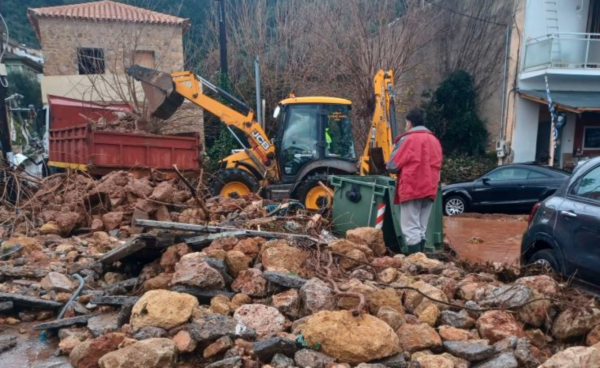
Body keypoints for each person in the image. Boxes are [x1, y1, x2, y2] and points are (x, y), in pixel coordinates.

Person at [387, 108, 442, 253]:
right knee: (421, 227)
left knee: (410, 227)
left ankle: (415, 262)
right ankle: (422, 260)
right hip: (430, 188)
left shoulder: (408, 139)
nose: (406, 126)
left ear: (410, 123)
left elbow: (392, 165)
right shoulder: (435, 140)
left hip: (412, 187)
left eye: (406, 123)